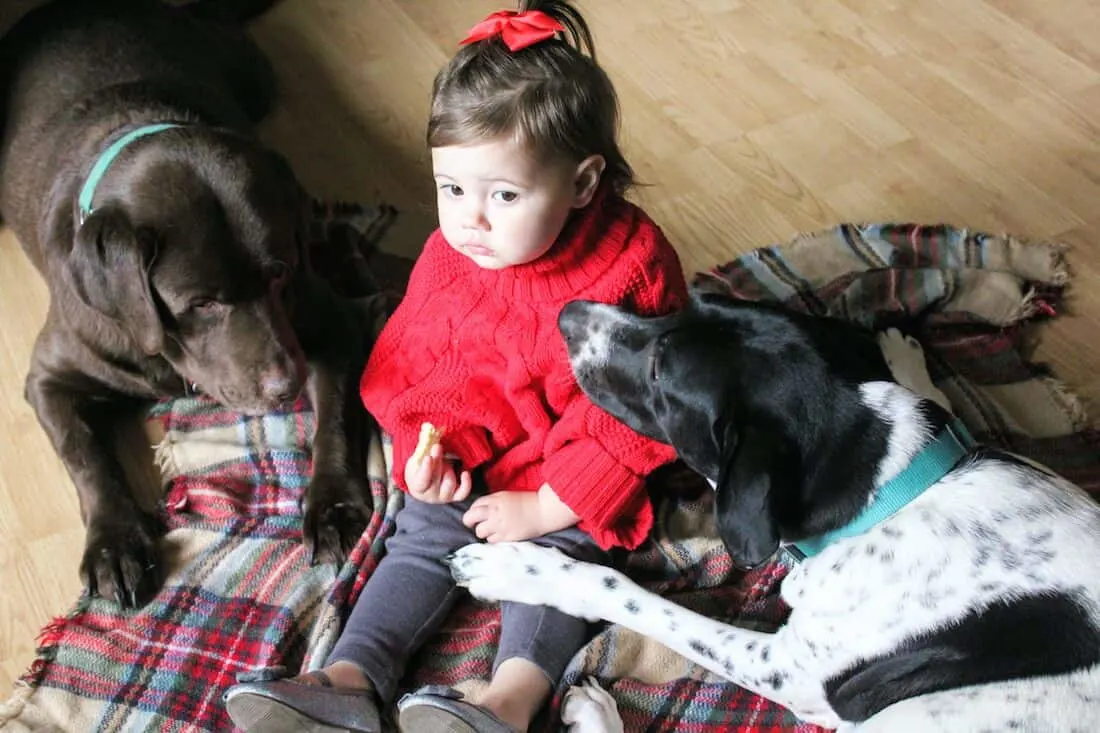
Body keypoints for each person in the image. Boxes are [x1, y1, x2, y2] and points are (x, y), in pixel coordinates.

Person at [224, 2, 688, 731]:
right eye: (451, 189)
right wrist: (427, 455)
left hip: (568, 472)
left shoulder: (631, 269)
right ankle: (350, 677)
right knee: (419, 534)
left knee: (558, 563)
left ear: (584, 183)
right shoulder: (454, 255)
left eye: (503, 195)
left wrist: (544, 505)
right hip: (484, 455)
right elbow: (422, 364)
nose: (471, 217)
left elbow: (640, 405)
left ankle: (509, 698)